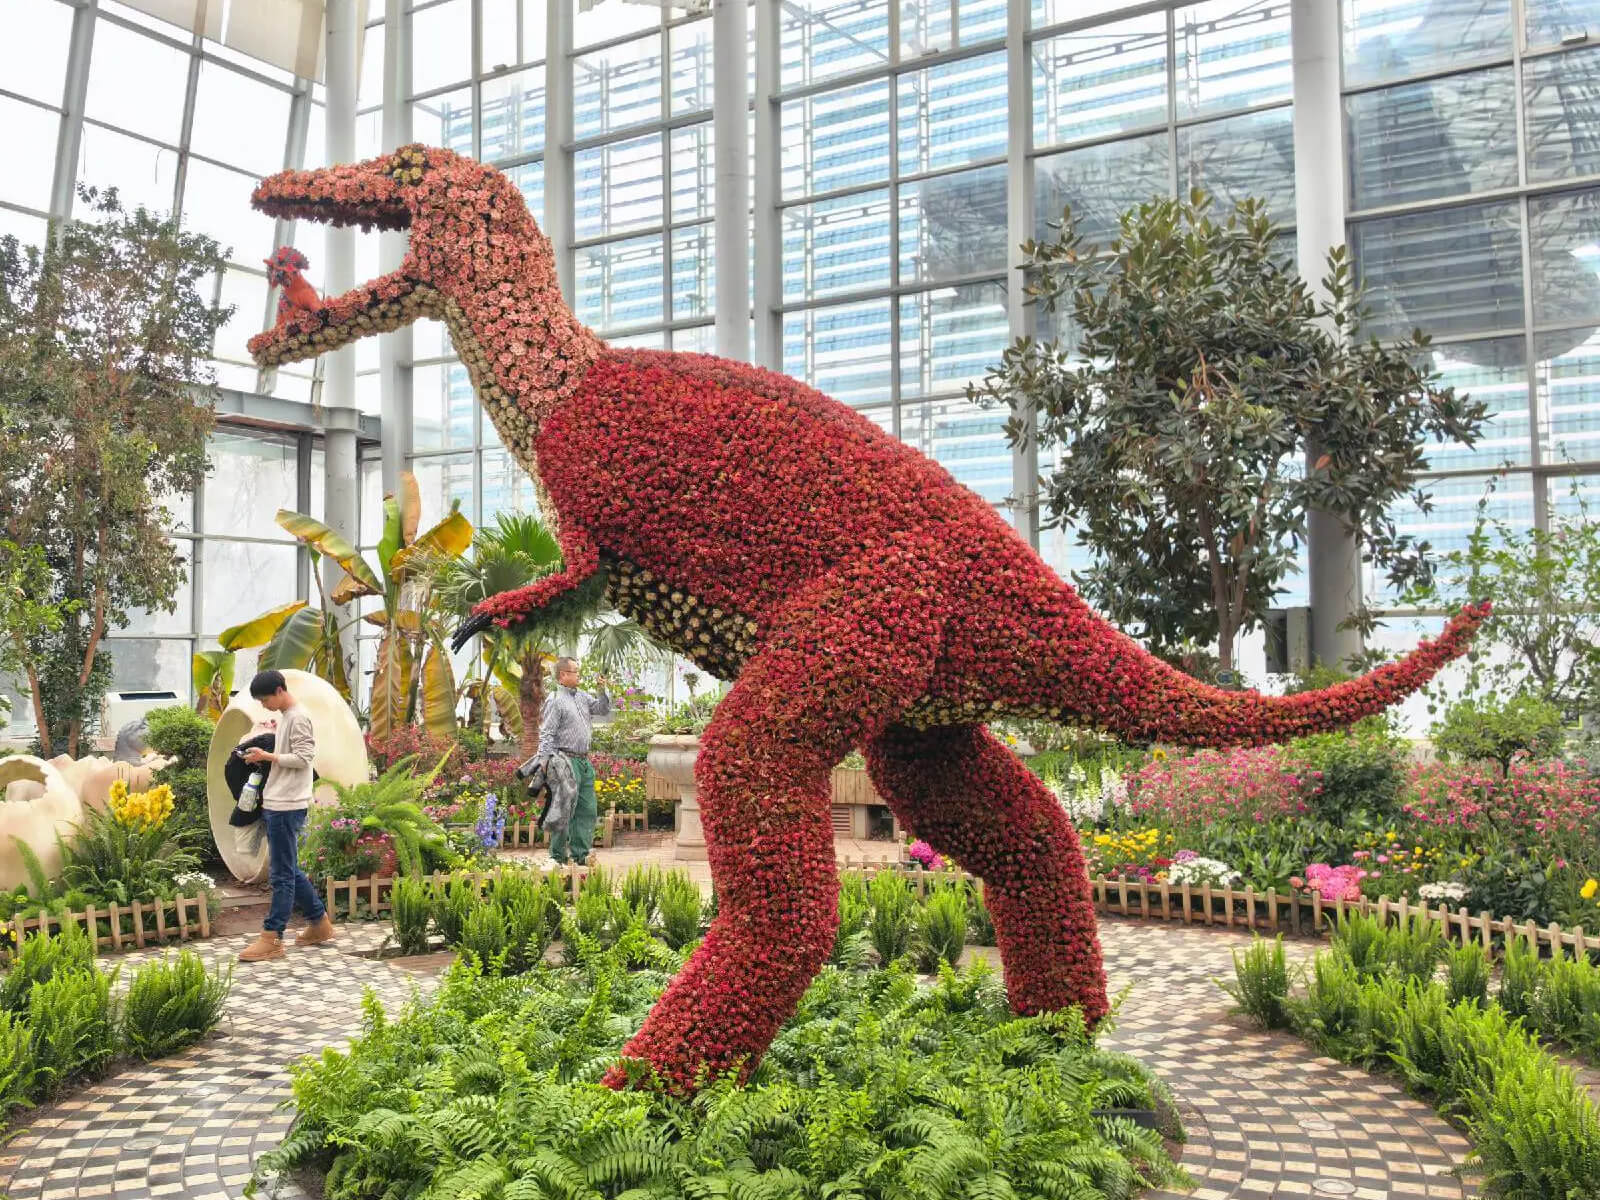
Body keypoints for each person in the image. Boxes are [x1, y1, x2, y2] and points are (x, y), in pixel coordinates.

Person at [237, 670, 335, 961]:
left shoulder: (298, 717)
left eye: (266, 699)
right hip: (280, 802)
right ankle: (319, 923)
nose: (264, 705)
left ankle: (272, 937)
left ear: (280, 691)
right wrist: (263, 754)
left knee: (281, 875)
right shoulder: (287, 716)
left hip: (287, 805)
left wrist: (267, 757)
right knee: (287, 869)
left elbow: (304, 759)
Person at [539, 657, 610, 865]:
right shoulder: (555, 699)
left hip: (584, 762)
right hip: (564, 760)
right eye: (575, 672)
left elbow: (602, 709)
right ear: (563, 675)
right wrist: (545, 762)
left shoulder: (582, 697)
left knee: (587, 809)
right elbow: (547, 733)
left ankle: (581, 855)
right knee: (563, 809)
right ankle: (557, 857)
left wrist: (602, 689)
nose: (579, 675)